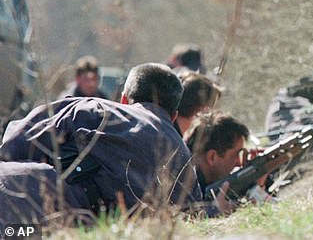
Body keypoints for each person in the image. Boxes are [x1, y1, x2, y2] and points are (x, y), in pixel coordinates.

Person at [0, 63, 202, 223]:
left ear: (123, 99)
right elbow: (194, 216)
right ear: (174, 116)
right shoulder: (184, 163)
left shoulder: (94, 109)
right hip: (52, 227)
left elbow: (13, 143)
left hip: (15, 203)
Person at [184, 111, 268, 217]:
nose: (239, 162)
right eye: (235, 155)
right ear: (212, 157)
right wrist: (214, 212)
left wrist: (252, 181)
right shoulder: (183, 186)